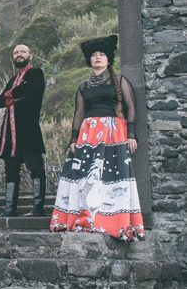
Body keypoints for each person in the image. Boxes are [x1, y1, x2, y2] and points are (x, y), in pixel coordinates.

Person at [50, 35, 145, 241]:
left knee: (111, 177)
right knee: (87, 178)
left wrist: (131, 134)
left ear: (108, 59)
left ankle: (112, 222)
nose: (98, 57)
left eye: (101, 54)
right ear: (89, 61)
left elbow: (131, 107)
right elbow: (78, 114)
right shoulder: (84, 86)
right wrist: (74, 140)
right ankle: (86, 219)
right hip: (88, 134)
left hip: (114, 133)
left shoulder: (120, 80)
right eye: (94, 55)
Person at [0, 44, 46, 217]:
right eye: (16, 52)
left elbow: (30, 90)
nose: (19, 55)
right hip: (10, 132)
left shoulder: (36, 74)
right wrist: (14, 95)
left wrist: (10, 95)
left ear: (30, 55)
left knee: (36, 168)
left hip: (28, 129)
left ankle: (38, 209)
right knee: (11, 171)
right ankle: (10, 209)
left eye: (23, 52)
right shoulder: (12, 79)